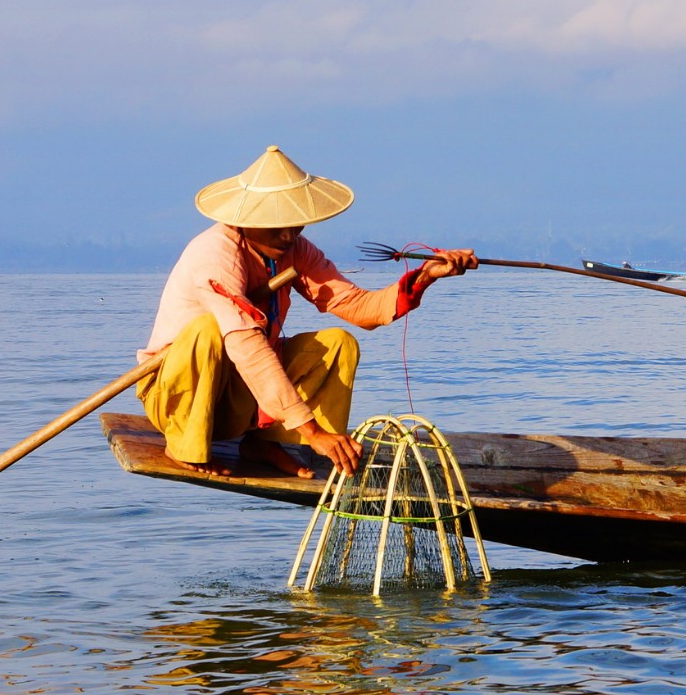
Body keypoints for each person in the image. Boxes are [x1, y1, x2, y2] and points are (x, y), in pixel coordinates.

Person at [136, 145, 476, 478]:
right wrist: (312, 429)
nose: (288, 235)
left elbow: (359, 308)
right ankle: (184, 446)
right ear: (246, 219)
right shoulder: (214, 255)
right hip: (177, 398)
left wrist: (427, 275)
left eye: (295, 224)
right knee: (209, 330)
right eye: (276, 225)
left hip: (236, 401)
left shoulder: (296, 250)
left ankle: (266, 441)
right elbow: (246, 345)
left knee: (338, 344)